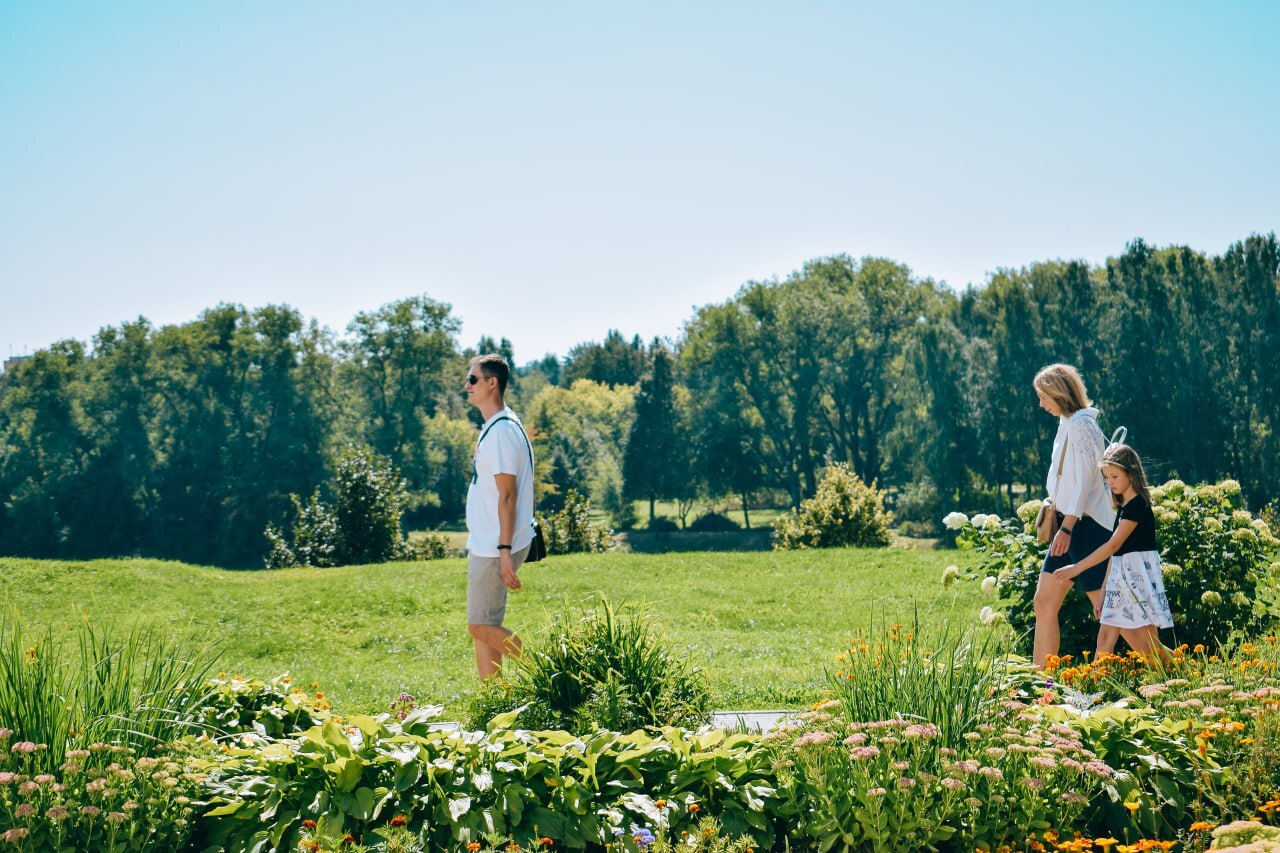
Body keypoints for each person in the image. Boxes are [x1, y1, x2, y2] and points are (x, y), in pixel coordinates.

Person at [1052, 444, 1173, 660]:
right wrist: (1105, 589)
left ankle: (1183, 676)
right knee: (1105, 636)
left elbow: (1113, 545)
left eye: (1114, 476)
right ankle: (1097, 688)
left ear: (1131, 473)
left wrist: (1076, 568)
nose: (1109, 482)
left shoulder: (1138, 507)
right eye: (1106, 477)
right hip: (1119, 578)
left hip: (1138, 578)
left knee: (1149, 644)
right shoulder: (1124, 507)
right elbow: (1116, 555)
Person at [1032, 364, 1116, 669]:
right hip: (1070, 525)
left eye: (1044, 397)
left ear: (1059, 393)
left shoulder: (1082, 425)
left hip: (1086, 527)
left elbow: (1083, 483)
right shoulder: (1068, 422)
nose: (1042, 405)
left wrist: (1065, 529)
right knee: (1044, 603)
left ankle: (1162, 669)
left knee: (1109, 611)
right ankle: (1041, 684)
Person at [464, 353, 537, 679]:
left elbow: (508, 495)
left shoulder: (501, 432)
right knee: (485, 625)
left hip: (495, 544)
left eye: (473, 379)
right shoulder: (497, 427)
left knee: (478, 625)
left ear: (492, 383)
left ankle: (549, 672)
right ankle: (492, 700)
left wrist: (504, 552)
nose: (467, 385)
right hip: (488, 542)